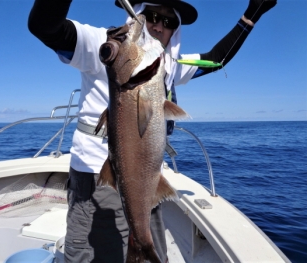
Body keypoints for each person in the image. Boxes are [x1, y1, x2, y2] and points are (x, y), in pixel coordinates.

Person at [28, 0, 276, 262]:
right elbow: (45, 27)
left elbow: (216, 59)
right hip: (97, 178)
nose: (159, 25)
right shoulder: (104, 43)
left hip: (147, 175)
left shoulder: (168, 63)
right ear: (137, 14)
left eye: (169, 21)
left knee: (150, 252)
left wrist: (252, 13)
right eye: (152, 15)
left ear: (175, 31)